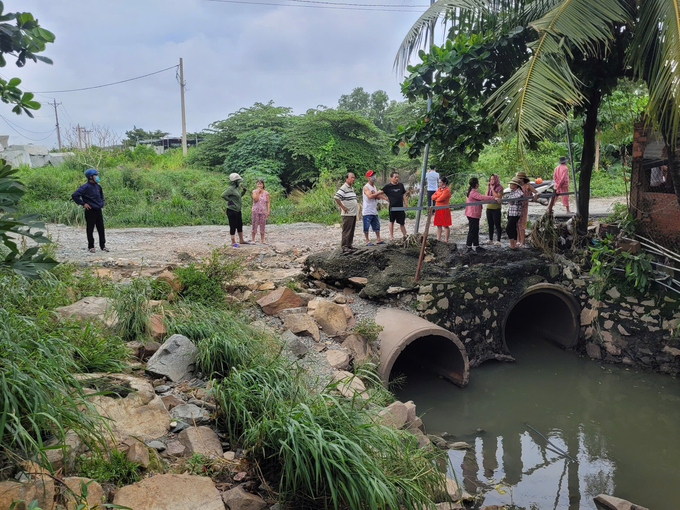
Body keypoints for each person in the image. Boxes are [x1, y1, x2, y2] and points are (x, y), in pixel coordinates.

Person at [72, 168, 108, 253]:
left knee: (101, 229)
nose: (97, 177)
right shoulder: (85, 187)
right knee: (90, 229)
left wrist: (102, 202)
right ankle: (91, 246)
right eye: (95, 175)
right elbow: (74, 195)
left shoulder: (98, 186)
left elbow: (101, 196)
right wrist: (83, 204)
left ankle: (103, 246)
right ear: (90, 177)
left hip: (98, 209)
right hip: (90, 210)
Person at [464, 177, 501, 252]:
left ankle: (476, 246)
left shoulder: (471, 190)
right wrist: (494, 198)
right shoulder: (473, 192)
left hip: (473, 213)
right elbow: (482, 197)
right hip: (472, 214)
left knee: (476, 230)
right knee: (472, 230)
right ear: (476, 184)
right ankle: (468, 247)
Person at [221, 172, 248, 247]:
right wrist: (229, 201)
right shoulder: (230, 189)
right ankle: (233, 242)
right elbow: (223, 195)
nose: (239, 182)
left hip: (238, 210)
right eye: (238, 181)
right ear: (235, 182)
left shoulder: (236, 189)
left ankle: (241, 240)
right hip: (232, 210)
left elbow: (238, 197)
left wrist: (244, 191)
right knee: (233, 226)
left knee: (239, 225)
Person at [334, 172, 358, 253]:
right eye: (351, 177)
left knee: (351, 230)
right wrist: (343, 207)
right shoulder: (344, 187)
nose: (353, 179)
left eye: (354, 177)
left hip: (353, 213)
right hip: (347, 214)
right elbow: (337, 197)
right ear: (346, 178)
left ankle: (349, 245)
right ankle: (344, 247)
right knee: (346, 230)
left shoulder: (351, 188)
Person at [382, 171, 408, 240]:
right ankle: (391, 236)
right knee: (391, 221)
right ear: (391, 178)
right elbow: (380, 192)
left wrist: (405, 202)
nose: (396, 179)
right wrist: (385, 198)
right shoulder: (388, 186)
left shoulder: (400, 185)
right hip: (392, 207)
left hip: (400, 206)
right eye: (395, 177)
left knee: (402, 222)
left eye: (397, 177)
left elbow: (404, 194)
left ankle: (405, 235)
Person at [362, 170, 386, 245]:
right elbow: (369, 196)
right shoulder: (366, 187)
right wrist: (378, 193)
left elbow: (377, 196)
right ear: (368, 178)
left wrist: (385, 198)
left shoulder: (374, 187)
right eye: (371, 175)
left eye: (374, 175)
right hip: (367, 210)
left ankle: (378, 239)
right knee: (366, 226)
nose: (373, 177)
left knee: (376, 225)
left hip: (374, 209)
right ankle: (367, 240)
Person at [516, 171, 538, 247]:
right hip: (517, 206)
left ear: (522, 178)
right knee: (517, 224)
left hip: (524, 207)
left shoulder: (527, 186)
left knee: (522, 225)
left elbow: (536, 192)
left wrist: (535, 195)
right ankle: (518, 241)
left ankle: (523, 242)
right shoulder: (517, 186)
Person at [484, 173, 504, 246]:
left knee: (497, 224)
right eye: (491, 179)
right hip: (489, 208)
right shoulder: (489, 187)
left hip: (496, 208)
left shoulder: (500, 187)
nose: (491, 181)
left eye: (493, 179)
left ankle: (498, 240)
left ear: (496, 179)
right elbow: (486, 196)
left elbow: (498, 196)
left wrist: (492, 189)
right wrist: (490, 189)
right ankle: (490, 239)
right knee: (490, 224)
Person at [431, 176, 452, 243]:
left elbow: (441, 199)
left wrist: (437, 197)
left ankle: (446, 240)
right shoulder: (439, 189)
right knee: (438, 225)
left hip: (444, 209)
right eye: (439, 182)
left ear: (444, 183)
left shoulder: (447, 190)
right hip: (438, 209)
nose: (439, 184)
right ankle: (438, 239)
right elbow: (432, 197)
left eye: (440, 182)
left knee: (446, 225)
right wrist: (438, 196)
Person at [506, 177, 524, 250]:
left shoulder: (519, 192)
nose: (510, 185)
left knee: (508, 228)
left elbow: (511, 201)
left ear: (515, 185)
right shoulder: (512, 191)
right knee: (513, 228)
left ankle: (513, 244)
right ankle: (513, 244)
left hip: (515, 213)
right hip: (511, 212)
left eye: (511, 184)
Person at [251, 179, 270, 244]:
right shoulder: (254, 191)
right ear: (256, 184)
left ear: (263, 185)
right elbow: (255, 199)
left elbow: (268, 202)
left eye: (261, 184)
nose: (259, 185)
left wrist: (268, 211)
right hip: (255, 211)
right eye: (258, 184)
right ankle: (253, 239)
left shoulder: (266, 193)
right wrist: (258, 192)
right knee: (254, 224)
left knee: (263, 225)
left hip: (263, 211)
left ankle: (262, 240)